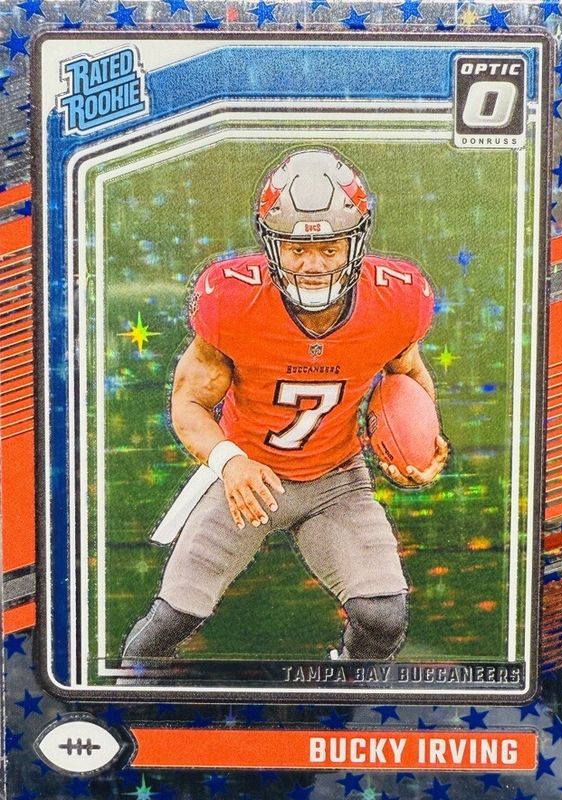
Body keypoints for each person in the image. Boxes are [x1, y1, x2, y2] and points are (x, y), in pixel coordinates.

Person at [121, 148, 448, 672]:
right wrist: (230, 462)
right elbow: (189, 402)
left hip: (336, 479)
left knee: (383, 618)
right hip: (247, 481)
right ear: (271, 245)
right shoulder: (233, 302)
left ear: (356, 242)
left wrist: (421, 446)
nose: (313, 265)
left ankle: (345, 693)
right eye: (297, 248)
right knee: (168, 623)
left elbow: (406, 372)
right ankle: (117, 705)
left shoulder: (396, 301)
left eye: (330, 247)